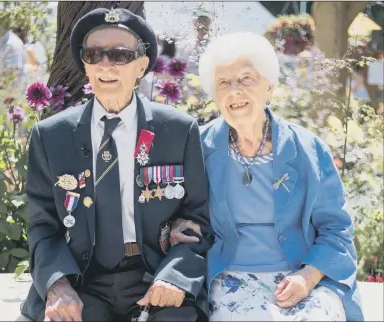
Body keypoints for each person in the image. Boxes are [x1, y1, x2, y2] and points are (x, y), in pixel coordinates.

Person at [20, 8, 212, 322]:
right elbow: (43, 226)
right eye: (94, 54)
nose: (106, 65)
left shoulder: (177, 130)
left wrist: (176, 276)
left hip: (155, 279)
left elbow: (198, 218)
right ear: (85, 64)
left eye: (120, 55)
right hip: (83, 281)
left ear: (141, 66)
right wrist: (57, 284)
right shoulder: (50, 136)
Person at [167, 32, 364, 321]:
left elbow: (337, 227)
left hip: (302, 273)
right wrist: (175, 226)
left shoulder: (307, 149)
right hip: (228, 275)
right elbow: (179, 212)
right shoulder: (200, 148)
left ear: (269, 86)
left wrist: (308, 277)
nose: (234, 90)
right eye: (223, 82)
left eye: (246, 79)